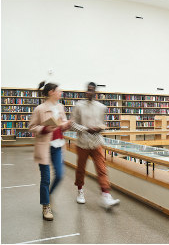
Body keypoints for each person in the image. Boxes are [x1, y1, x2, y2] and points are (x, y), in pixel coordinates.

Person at [71, 82, 120, 209]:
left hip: (97, 143)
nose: (89, 92)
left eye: (91, 90)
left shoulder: (101, 107)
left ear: (95, 92)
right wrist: (86, 129)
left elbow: (102, 124)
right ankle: (80, 191)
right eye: (87, 90)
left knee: (102, 169)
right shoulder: (79, 106)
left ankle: (106, 195)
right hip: (82, 143)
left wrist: (99, 128)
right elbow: (72, 124)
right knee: (81, 168)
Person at [29, 81, 71, 221]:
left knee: (59, 175)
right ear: (51, 92)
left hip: (58, 146)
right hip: (44, 147)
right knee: (46, 179)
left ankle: (49, 195)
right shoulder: (39, 109)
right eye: (58, 91)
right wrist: (45, 128)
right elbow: (32, 127)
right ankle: (46, 205)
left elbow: (62, 122)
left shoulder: (60, 106)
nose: (60, 93)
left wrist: (66, 125)